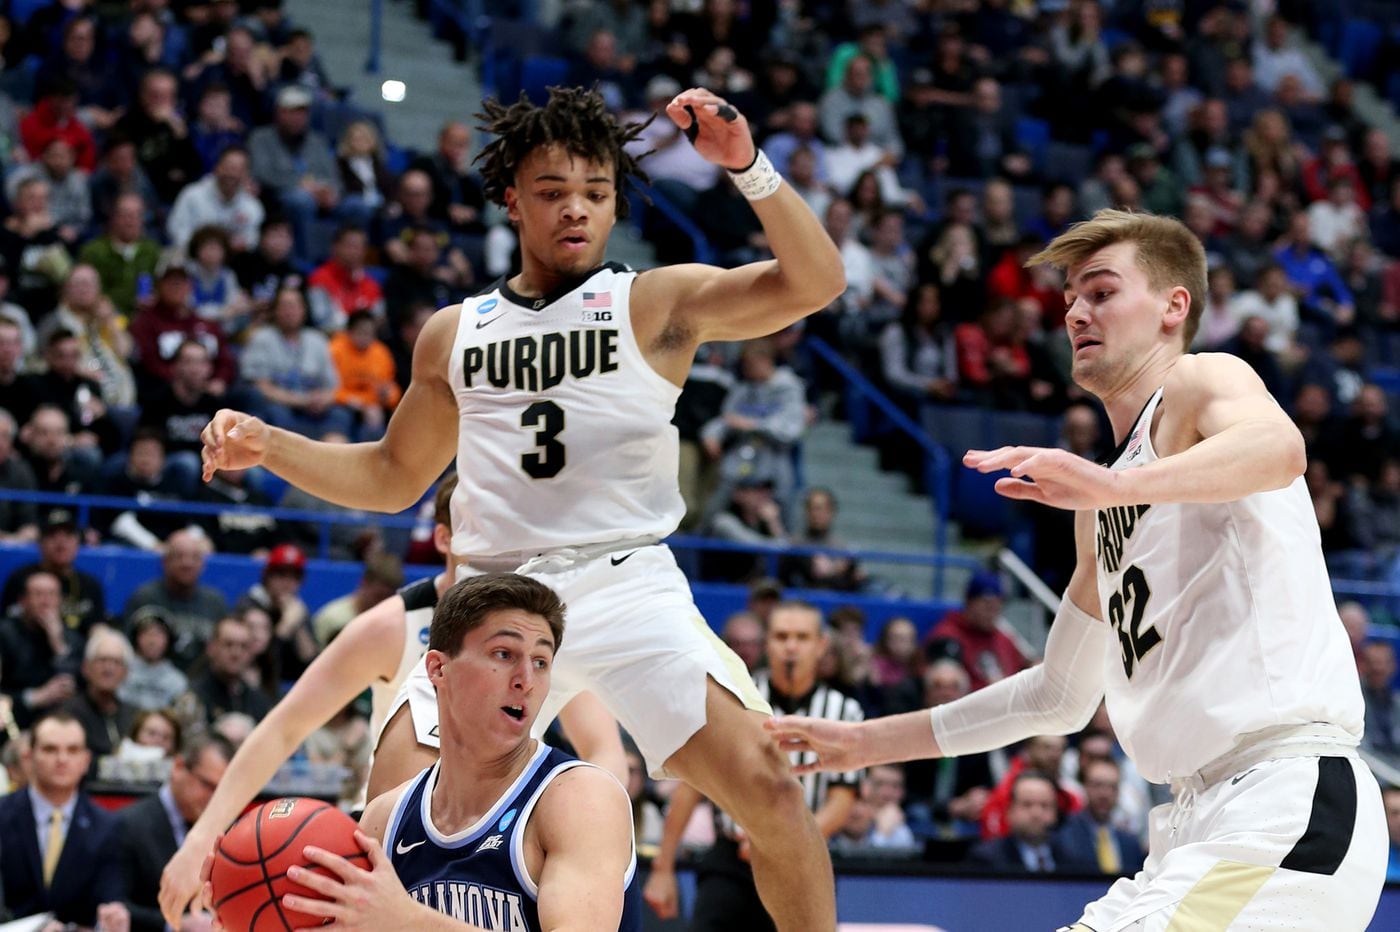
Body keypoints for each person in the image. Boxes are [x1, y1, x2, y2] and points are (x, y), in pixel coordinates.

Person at [199, 85, 845, 930]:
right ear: (511, 200)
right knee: (394, 818)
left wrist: (748, 168)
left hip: (626, 583)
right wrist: (269, 446)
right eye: (552, 191)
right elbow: (392, 477)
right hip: (491, 596)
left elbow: (816, 282)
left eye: (596, 192)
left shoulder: (655, 303)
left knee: (770, 788)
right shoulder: (454, 333)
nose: (576, 209)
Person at [768, 209, 1387, 929]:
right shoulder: (1099, 505)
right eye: (1069, 300)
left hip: (1286, 799)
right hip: (1192, 823)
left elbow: (1280, 450)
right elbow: (1059, 694)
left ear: (1173, 306)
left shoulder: (1201, 381)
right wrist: (869, 743)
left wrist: (1114, 486)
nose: (1075, 314)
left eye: (1101, 292)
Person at [159, 478, 628, 924]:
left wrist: (587, 824)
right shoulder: (393, 626)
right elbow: (285, 727)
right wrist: (206, 841)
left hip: (513, 823)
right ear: (444, 538)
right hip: (399, 829)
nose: (505, 547)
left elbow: (603, 751)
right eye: (487, 530)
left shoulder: (541, 635)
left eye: (516, 532)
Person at [197, 572, 643, 930]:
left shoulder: (577, 797)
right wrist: (247, 906)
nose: (526, 679)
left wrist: (409, 921)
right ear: (438, 669)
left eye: (541, 661)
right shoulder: (385, 819)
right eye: (504, 654)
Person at [644, 602, 861, 931]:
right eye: (781, 636)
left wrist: (785, 836)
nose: (791, 647)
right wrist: (663, 868)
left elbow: (842, 800)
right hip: (730, 859)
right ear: (767, 643)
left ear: (821, 646)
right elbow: (690, 787)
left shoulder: (844, 711)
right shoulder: (732, 699)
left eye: (802, 637)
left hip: (802, 859)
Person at [0, 711, 128, 929]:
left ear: (86, 760)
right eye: (50, 749)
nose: (62, 759)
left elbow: (109, 896)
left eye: (73, 750)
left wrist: (113, 917)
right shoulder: (2, 814)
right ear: (29, 758)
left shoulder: (106, 825)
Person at [118, 735, 232, 932]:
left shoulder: (228, 828)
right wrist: (174, 925)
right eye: (208, 785)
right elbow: (113, 905)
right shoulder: (128, 824)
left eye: (223, 791)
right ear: (178, 767)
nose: (214, 798)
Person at [1055, 756, 1146, 877]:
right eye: (1097, 785)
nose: (1105, 794)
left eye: (1112, 787)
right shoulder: (1064, 835)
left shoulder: (1131, 843)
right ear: (1084, 787)